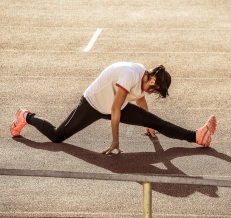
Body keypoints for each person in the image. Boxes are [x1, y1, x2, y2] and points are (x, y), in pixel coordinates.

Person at [10, 62, 216, 154]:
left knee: (157, 122)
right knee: (56, 136)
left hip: (115, 105)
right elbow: (116, 109)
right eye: (155, 90)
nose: (153, 93)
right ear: (152, 80)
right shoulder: (129, 75)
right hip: (93, 104)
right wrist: (115, 141)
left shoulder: (145, 79)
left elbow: (141, 99)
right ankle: (25, 116)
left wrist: (148, 123)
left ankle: (197, 136)